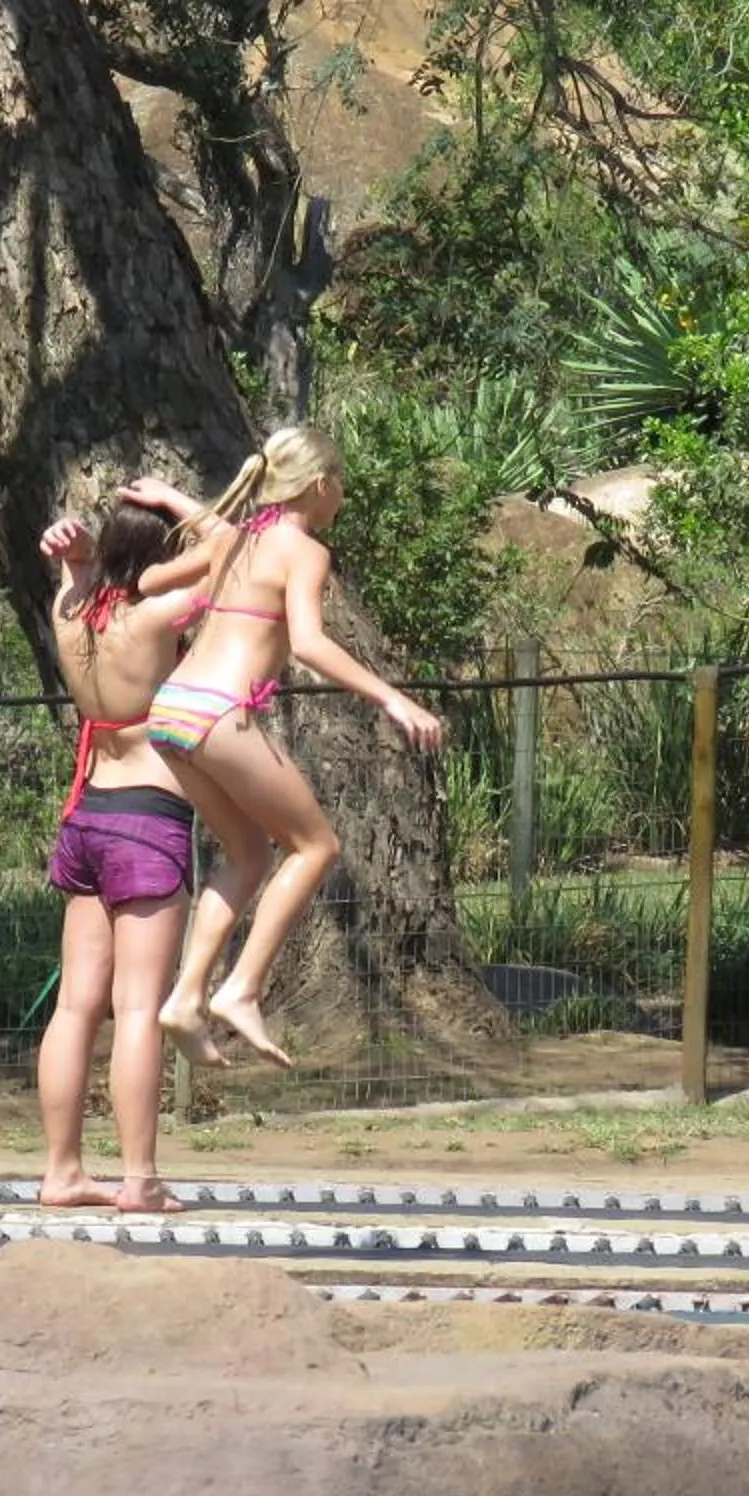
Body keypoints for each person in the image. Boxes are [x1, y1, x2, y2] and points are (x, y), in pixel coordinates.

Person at [118, 429, 446, 1070]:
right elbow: (310, 643)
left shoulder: (232, 539)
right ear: (320, 485)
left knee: (247, 855)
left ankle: (186, 998)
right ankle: (240, 988)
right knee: (316, 846)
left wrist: (185, 511)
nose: (344, 494)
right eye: (341, 481)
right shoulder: (305, 552)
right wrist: (394, 699)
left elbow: (152, 578)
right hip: (220, 712)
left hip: (172, 711)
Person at [30, 498, 212, 1211]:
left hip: (88, 815)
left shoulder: (71, 614)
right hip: (147, 816)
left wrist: (76, 555)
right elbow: (235, 559)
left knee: (76, 1007)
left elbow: (77, 574)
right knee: (138, 1007)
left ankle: (62, 1170)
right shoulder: (159, 617)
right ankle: (139, 1179)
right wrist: (188, 507)